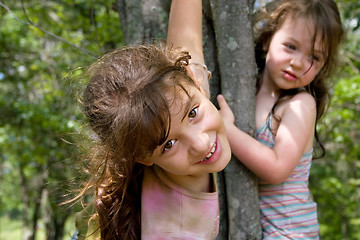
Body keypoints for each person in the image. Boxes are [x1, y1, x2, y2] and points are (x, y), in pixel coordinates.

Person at [70, 0, 231, 239]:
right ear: (142, 157)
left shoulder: (179, 92)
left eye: (194, 114)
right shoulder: (173, 231)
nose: (200, 144)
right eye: (169, 145)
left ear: (192, 78)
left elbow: (186, 26)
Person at [217, 0, 344, 239]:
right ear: (267, 40)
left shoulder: (299, 105)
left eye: (314, 58)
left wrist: (226, 130)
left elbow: (276, 169)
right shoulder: (245, 89)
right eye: (290, 46)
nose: (297, 62)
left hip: (290, 232)